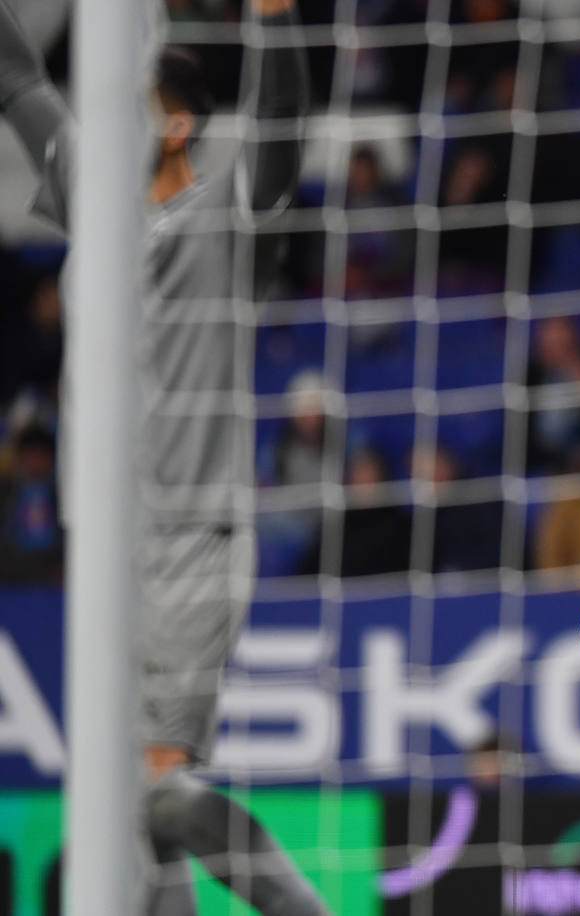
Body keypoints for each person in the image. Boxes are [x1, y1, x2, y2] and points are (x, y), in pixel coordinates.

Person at [0, 2, 329, 913]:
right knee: (123, 823)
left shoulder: (224, 215)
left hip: (192, 538)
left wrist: (275, 19)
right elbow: (19, 78)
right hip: (104, 551)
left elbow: (282, 125)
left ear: (178, 123)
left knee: (151, 790)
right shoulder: (91, 190)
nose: (99, 125)